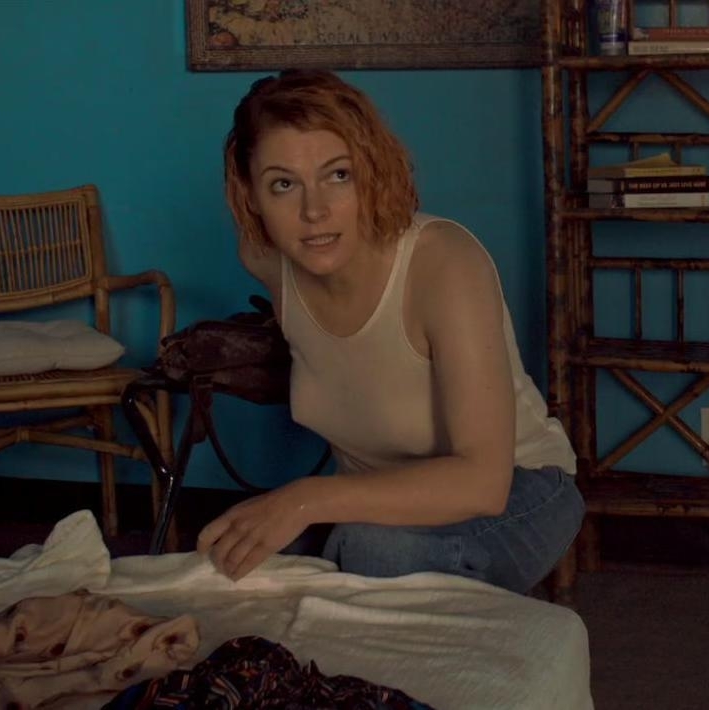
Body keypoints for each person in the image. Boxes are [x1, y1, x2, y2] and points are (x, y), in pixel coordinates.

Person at [196, 69, 585, 595]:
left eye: (339, 175)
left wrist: (305, 500)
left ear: (373, 171)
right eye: (283, 184)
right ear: (250, 195)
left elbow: (483, 484)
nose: (314, 211)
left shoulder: (443, 263)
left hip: (521, 491)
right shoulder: (266, 260)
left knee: (374, 549)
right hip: (367, 503)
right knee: (231, 561)